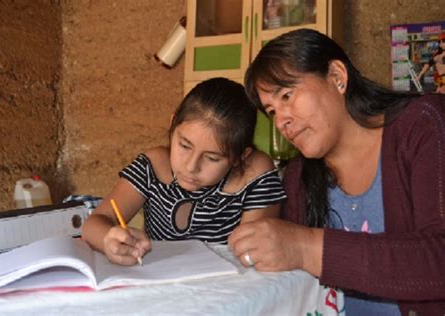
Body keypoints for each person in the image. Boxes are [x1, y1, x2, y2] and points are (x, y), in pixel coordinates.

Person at [228, 28, 445, 315]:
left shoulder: (423, 126)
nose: (281, 121)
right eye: (271, 111)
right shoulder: (298, 177)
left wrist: (305, 247)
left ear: (337, 77)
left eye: (287, 96)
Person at [82, 77, 286, 266]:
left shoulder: (252, 174)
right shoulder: (153, 165)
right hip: (159, 284)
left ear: (240, 157)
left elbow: (252, 253)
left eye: (212, 158)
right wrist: (109, 240)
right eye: (185, 146)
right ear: (172, 125)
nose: (191, 166)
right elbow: (93, 224)